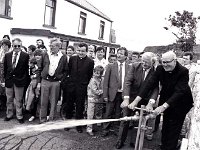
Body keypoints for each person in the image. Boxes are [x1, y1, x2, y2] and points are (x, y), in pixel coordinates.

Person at [128, 51, 193, 150]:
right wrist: (136, 101)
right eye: (163, 62)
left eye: (168, 62)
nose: (165, 65)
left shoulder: (183, 71)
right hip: (166, 98)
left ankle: (170, 147)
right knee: (166, 126)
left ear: (174, 61)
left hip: (181, 102)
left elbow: (179, 92)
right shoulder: (160, 68)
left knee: (174, 128)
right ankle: (164, 146)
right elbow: (149, 84)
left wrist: (163, 106)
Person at [115, 52, 159, 149]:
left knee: (138, 122)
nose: (143, 63)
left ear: (153, 62)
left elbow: (156, 88)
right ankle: (120, 141)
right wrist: (126, 99)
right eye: (142, 61)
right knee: (125, 120)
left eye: (146, 62)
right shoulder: (134, 66)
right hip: (130, 99)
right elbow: (127, 82)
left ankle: (134, 141)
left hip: (144, 100)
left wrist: (150, 103)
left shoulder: (156, 71)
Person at [63, 43, 94, 133]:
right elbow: (68, 71)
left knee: (80, 107)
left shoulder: (90, 62)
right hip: (71, 86)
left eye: (83, 51)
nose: (80, 53)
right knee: (69, 105)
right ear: (77, 50)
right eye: (79, 51)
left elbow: (89, 75)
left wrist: (84, 84)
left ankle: (78, 126)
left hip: (82, 87)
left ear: (86, 51)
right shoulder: (72, 58)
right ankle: (68, 124)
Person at [102, 47, 130, 137]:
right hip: (111, 94)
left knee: (118, 113)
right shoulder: (111, 66)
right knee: (108, 112)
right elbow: (106, 81)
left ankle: (116, 129)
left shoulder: (129, 67)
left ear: (126, 56)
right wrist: (105, 95)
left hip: (122, 94)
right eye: (118, 53)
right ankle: (105, 129)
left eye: (121, 53)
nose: (119, 55)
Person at [39, 38, 68, 123]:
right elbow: (40, 67)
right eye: (50, 46)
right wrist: (41, 78)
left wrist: (60, 80)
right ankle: (43, 119)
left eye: (53, 46)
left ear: (58, 47)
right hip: (45, 80)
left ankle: (51, 119)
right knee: (43, 101)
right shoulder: (45, 54)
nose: (51, 48)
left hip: (56, 82)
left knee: (53, 102)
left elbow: (66, 70)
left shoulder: (63, 57)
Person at [4, 38, 29, 124]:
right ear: (12, 46)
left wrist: (24, 80)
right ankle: (9, 114)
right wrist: (5, 80)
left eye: (19, 46)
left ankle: (19, 115)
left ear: (21, 46)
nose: (17, 47)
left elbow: (26, 70)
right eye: (15, 46)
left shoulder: (25, 55)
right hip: (9, 81)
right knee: (9, 99)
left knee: (19, 100)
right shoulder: (7, 55)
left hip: (20, 81)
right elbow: (5, 69)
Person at [25, 49, 43, 122]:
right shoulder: (31, 68)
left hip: (40, 84)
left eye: (39, 55)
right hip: (33, 85)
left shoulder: (42, 65)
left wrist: (35, 76)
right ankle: (33, 114)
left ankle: (40, 114)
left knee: (40, 100)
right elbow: (31, 75)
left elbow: (40, 74)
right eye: (36, 55)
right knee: (32, 99)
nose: (37, 56)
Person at [86, 65, 104, 136]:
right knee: (90, 114)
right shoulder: (92, 80)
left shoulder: (101, 79)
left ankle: (93, 127)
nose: (96, 74)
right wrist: (103, 91)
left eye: (98, 73)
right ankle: (89, 129)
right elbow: (95, 90)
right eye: (95, 72)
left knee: (96, 113)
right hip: (91, 98)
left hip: (97, 99)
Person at [0, 39, 11, 110]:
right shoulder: (1, 52)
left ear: (7, 46)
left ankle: (6, 106)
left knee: (6, 91)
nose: (3, 47)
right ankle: (2, 105)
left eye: (4, 45)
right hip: (0, 72)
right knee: (1, 90)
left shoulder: (9, 53)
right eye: (2, 45)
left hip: (6, 74)